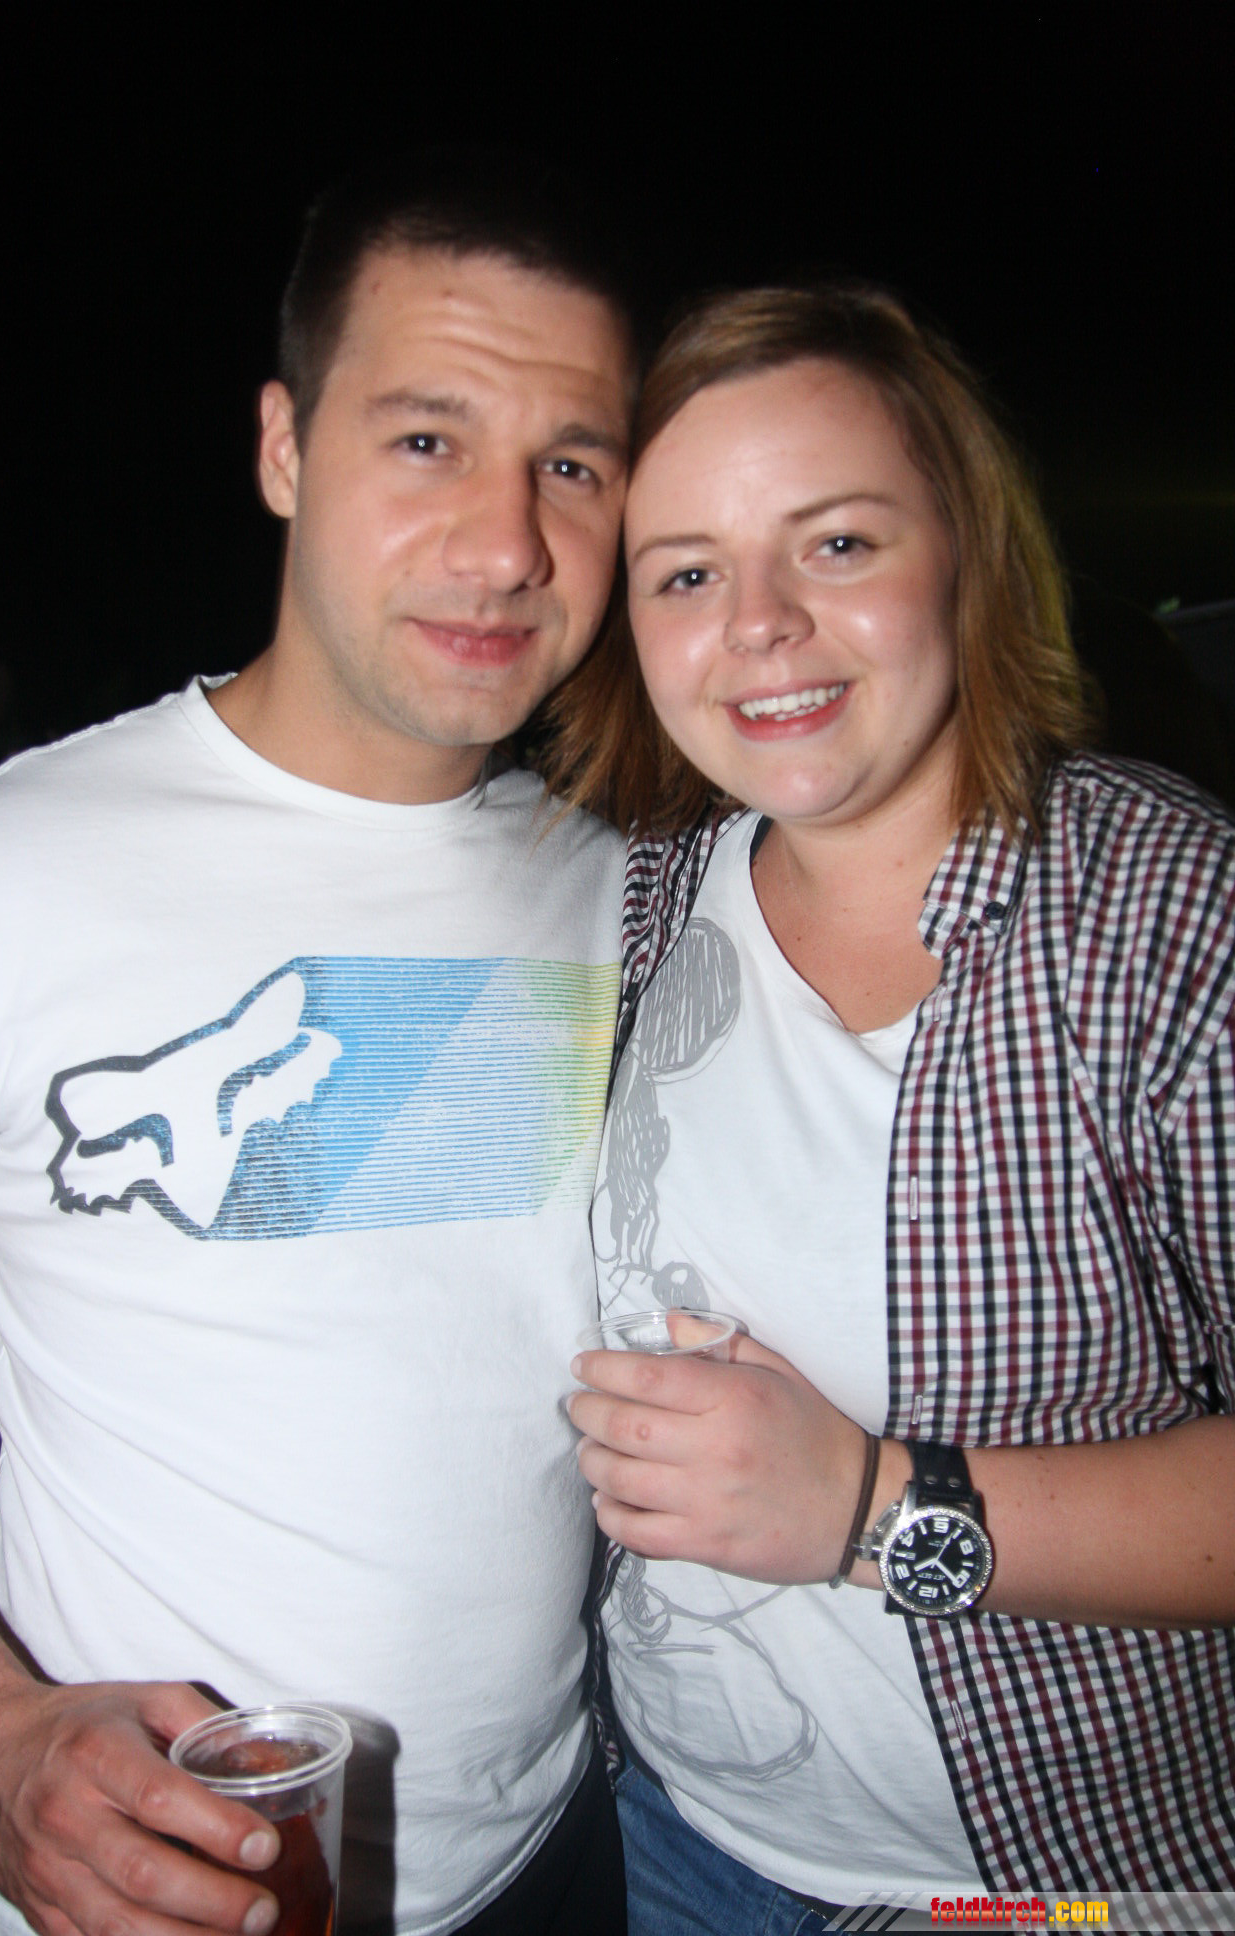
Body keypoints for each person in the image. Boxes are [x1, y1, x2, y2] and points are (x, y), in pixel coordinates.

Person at [0, 153, 637, 1936]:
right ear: (282, 447)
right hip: (129, 1884)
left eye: (572, 464)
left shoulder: (629, 892)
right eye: (426, 439)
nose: (507, 544)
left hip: (553, 1857)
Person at [554, 285, 1235, 1926]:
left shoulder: (1169, 915)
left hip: (1053, 1883)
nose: (761, 623)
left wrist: (868, 1507)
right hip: (674, 1831)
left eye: (839, 543)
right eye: (689, 573)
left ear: (968, 556)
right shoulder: (633, 905)